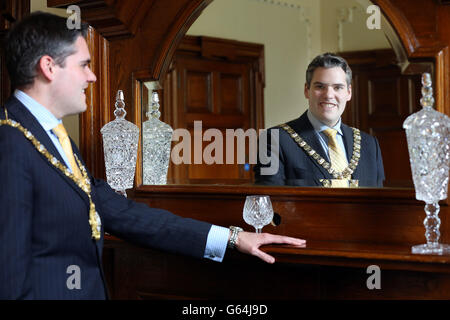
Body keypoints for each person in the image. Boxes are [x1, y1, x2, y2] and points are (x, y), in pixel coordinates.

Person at [0, 11, 306, 300]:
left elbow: (123, 213)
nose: (91, 77)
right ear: (49, 67)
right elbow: (8, 274)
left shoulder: (52, 137)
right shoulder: (9, 142)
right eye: (83, 64)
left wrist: (232, 238)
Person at [254, 53, 385, 187]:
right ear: (307, 90)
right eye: (320, 86)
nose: (328, 95)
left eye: (337, 87)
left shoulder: (369, 145)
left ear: (349, 92)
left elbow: (379, 202)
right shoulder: (273, 140)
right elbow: (268, 202)